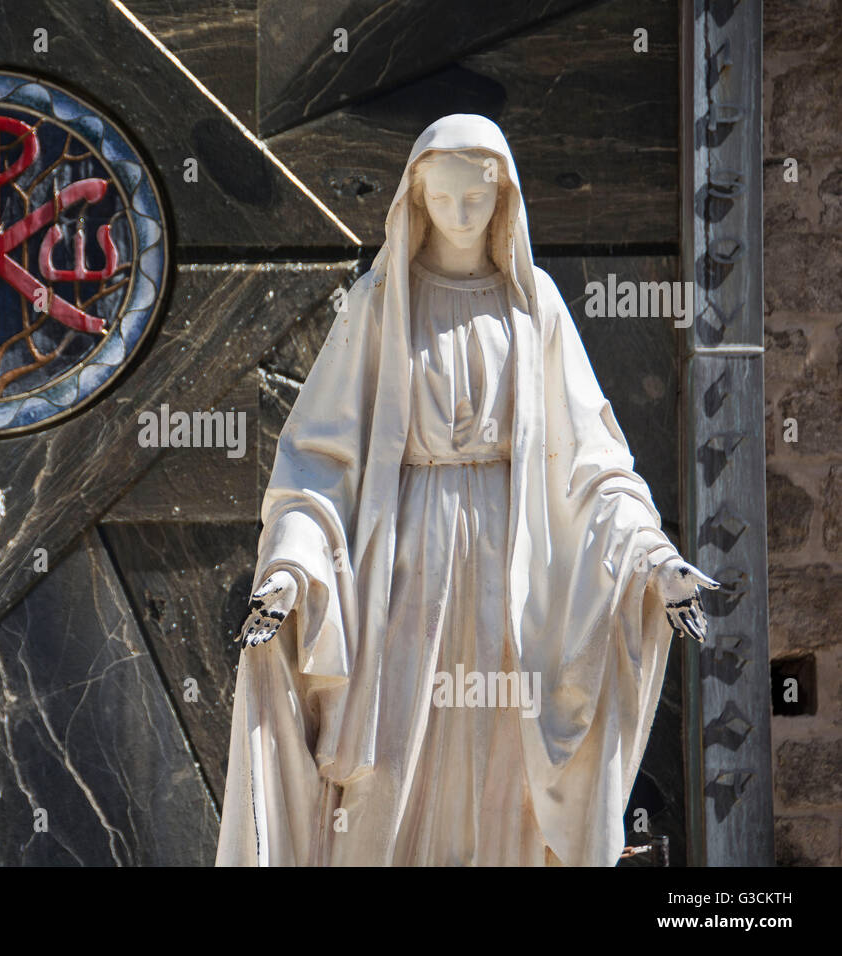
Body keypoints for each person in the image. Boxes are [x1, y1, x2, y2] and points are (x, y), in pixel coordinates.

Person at [216, 114, 718, 867]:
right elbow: (320, 458)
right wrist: (290, 566)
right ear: (416, 200)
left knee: (504, 754)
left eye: (475, 199)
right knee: (385, 761)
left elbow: (591, 461)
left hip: (511, 561)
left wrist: (650, 555)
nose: (458, 215)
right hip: (406, 564)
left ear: (502, 201)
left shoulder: (535, 306)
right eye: (443, 198)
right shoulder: (378, 305)